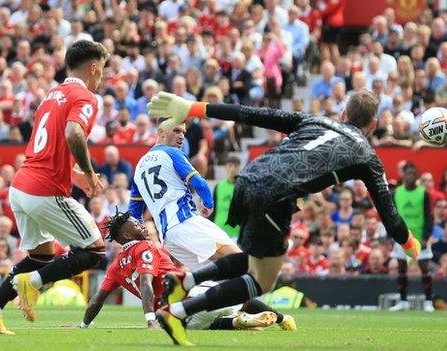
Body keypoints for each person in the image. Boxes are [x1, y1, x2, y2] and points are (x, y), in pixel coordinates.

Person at [146, 89, 420, 345]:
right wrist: (410, 243)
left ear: (343, 115)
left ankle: (185, 282)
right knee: (262, 281)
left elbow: (251, 113)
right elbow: (391, 217)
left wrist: (193, 108)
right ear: (373, 125)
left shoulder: (314, 120)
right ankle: (178, 312)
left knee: (254, 259)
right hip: (275, 196)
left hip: (248, 178)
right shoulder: (367, 156)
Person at [0, 40, 110, 335]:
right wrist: (89, 172)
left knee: (41, 256)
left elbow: (50, 147)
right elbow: (73, 133)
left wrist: (74, 173)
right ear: (93, 68)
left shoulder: (52, 94)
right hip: (43, 190)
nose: (101, 79)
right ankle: (33, 282)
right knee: (95, 250)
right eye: (101, 72)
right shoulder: (86, 97)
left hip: (21, 186)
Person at [81, 210, 289, 333]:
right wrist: (149, 320)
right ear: (126, 234)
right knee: (236, 294)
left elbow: (97, 300)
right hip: (192, 297)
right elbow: (145, 284)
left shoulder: (115, 266)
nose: (142, 224)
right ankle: (282, 319)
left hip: (174, 317)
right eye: (136, 224)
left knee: (198, 323)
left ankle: (237, 321)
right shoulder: (146, 247)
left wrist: (83, 325)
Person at [128, 119, 240, 270]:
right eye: (176, 131)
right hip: (184, 220)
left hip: (168, 238)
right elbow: (200, 184)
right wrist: (208, 204)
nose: (181, 136)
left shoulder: (139, 166)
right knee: (240, 259)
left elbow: (134, 213)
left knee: (216, 275)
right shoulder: (172, 153)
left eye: (183, 132)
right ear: (160, 132)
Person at [389, 163, 434, 312]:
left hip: (419, 237)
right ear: (403, 175)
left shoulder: (423, 193)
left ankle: (428, 302)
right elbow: (391, 216)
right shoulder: (396, 193)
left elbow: (429, 216)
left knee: (425, 269)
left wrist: (426, 237)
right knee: (401, 269)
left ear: (417, 176)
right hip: (402, 237)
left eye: (413, 174)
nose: (410, 177)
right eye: (407, 174)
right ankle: (403, 301)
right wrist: (392, 236)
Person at [212, 156, 242, 240]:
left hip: (236, 233)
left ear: (239, 167)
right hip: (219, 231)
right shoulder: (219, 186)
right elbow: (213, 209)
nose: (232, 169)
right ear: (226, 167)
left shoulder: (242, 187)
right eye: (230, 166)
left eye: (235, 166)